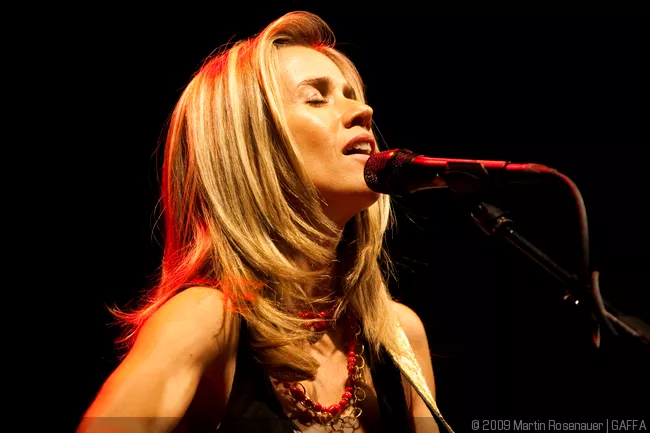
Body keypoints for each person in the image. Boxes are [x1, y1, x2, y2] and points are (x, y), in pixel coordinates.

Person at [77, 10, 454, 433]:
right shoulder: (205, 321)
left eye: (353, 94)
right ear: (251, 146)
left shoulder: (398, 335)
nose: (363, 110)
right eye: (316, 98)